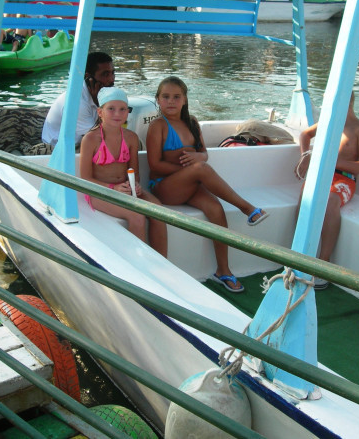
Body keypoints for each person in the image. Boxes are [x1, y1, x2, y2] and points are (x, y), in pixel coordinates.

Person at [145, 76, 268, 293]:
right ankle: (247, 208)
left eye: (176, 97)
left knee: (215, 208)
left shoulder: (192, 123)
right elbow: (154, 165)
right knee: (200, 170)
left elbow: (204, 154)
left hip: (189, 183)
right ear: (158, 99)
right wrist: (191, 169)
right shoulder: (158, 126)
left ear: (185, 99)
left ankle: (223, 271)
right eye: (166, 97)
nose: (171, 101)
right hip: (165, 187)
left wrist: (198, 159)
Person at [79, 87, 168, 257]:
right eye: (111, 109)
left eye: (122, 109)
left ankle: (162, 261)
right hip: (99, 192)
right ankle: (139, 264)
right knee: (137, 216)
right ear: (100, 112)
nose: (117, 113)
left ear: (127, 112)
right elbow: (85, 178)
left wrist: (135, 185)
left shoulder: (131, 137)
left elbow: (134, 171)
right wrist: (113, 188)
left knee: (159, 211)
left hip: (126, 189)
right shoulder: (90, 139)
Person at [299, 91, 359, 290]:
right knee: (306, 196)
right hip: (323, 174)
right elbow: (305, 135)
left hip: (345, 179)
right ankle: (299, 254)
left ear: (347, 103)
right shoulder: (328, 121)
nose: (326, 107)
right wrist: (305, 155)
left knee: (331, 201)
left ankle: (324, 262)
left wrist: (333, 161)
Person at [42, 51, 115, 148]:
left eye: (112, 73)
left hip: (83, 141)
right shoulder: (76, 102)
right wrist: (100, 105)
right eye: (105, 74)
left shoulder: (99, 95)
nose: (111, 79)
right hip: (59, 149)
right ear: (88, 77)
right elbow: (97, 139)